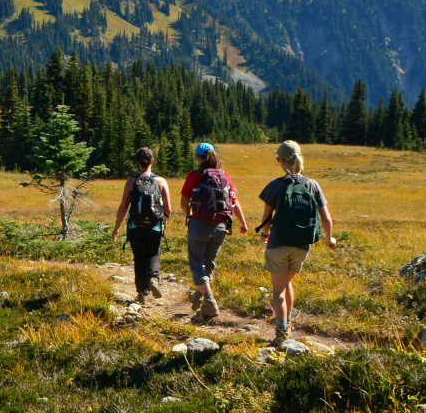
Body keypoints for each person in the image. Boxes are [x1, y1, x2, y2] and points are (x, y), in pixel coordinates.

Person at [258, 140, 337, 345]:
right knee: (287, 282)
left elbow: (266, 218)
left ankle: (282, 332)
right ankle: (289, 324)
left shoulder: (275, 185)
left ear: (282, 161)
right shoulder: (312, 184)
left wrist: (264, 235)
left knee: (278, 289)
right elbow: (326, 218)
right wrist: (330, 239)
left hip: (278, 243)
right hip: (302, 245)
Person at [180, 142, 248, 319]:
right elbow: (235, 201)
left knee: (196, 264)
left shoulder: (195, 175)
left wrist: (194, 216)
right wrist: (243, 222)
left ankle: (209, 302)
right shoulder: (224, 174)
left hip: (199, 224)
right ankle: (197, 296)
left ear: (198, 158)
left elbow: (183, 203)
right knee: (208, 264)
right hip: (221, 226)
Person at [111, 146, 173, 302]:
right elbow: (169, 208)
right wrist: (164, 220)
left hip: (135, 226)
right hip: (155, 225)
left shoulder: (131, 182)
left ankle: (142, 292)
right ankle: (153, 278)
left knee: (139, 257)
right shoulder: (160, 181)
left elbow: (124, 207)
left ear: (137, 162)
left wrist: (117, 228)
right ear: (152, 161)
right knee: (153, 253)